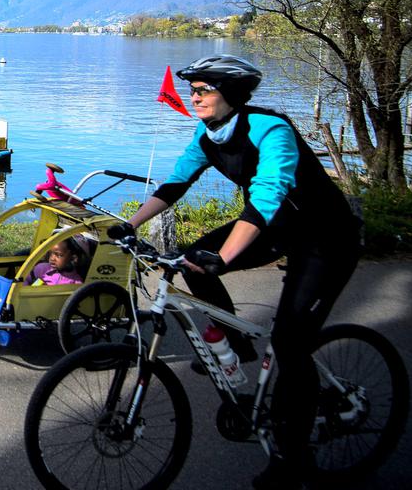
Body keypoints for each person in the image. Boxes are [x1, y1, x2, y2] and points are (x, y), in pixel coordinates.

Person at [123, 54, 361, 490]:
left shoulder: (272, 130)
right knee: (195, 258)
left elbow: (268, 194)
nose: (193, 96)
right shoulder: (208, 133)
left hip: (325, 240)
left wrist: (228, 257)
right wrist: (130, 224)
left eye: (202, 90)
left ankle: (294, 459)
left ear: (230, 94)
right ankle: (238, 346)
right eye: (192, 90)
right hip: (278, 228)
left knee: (290, 344)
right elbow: (176, 184)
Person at [24, 236, 90, 286]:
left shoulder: (75, 282)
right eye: (51, 253)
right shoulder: (41, 269)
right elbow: (25, 280)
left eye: (58, 255)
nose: (52, 258)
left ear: (73, 258)